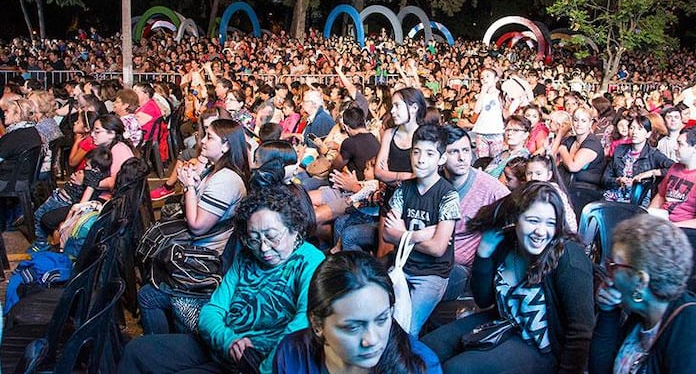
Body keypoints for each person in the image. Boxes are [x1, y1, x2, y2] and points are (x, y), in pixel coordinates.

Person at [118, 185, 326, 374]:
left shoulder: (310, 260)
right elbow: (213, 309)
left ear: (294, 231)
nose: (263, 248)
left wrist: (263, 368)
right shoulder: (247, 256)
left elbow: (301, 323)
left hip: (262, 358)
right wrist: (228, 340)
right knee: (136, 350)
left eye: (272, 237)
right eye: (254, 239)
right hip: (224, 345)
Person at [422, 182, 595, 374]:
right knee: (426, 349)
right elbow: (483, 299)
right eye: (533, 220)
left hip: (543, 345)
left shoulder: (569, 258)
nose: (541, 231)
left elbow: (581, 332)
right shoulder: (507, 242)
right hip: (506, 322)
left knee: (457, 369)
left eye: (551, 223)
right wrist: (484, 254)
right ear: (516, 218)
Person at [590, 214, 696, 374]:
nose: (609, 276)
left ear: (640, 281)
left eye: (613, 266)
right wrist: (608, 313)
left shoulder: (693, 332)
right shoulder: (643, 315)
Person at [137, 119, 249, 335]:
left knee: (148, 295)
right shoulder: (216, 171)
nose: (203, 141)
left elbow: (197, 226)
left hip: (201, 261)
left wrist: (189, 186)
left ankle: (163, 351)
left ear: (226, 146)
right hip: (195, 252)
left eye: (209, 137)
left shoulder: (226, 180)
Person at [273, 251, 442, 374]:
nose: (372, 340)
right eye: (353, 327)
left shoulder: (421, 366)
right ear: (317, 324)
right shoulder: (291, 353)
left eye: (382, 319)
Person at [382, 123, 461, 336]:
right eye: (416, 152)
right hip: (402, 267)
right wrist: (421, 234)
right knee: (381, 319)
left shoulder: (448, 195)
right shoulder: (404, 189)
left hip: (431, 274)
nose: (421, 159)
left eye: (429, 153)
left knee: (406, 329)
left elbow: (437, 248)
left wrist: (404, 235)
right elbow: (387, 233)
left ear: (441, 159)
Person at [440, 125, 509, 301]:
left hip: (462, 268)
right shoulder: (434, 183)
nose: (462, 157)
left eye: (465, 150)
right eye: (453, 151)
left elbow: (515, 212)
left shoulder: (489, 187)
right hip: (431, 258)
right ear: (440, 156)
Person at [28, 146, 112, 252]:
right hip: (59, 198)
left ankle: (40, 243)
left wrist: (76, 213)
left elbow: (84, 200)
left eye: (87, 165)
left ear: (96, 168)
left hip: (62, 201)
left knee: (39, 216)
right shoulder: (93, 175)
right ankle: (42, 243)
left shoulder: (92, 177)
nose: (85, 167)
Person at [374, 87, 424, 257]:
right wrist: (404, 176)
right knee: (383, 255)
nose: (392, 111)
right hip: (390, 199)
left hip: (415, 203)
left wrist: (392, 176)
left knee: (408, 256)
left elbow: (422, 176)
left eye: (397, 106)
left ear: (414, 107)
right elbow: (378, 172)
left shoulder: (424, 136)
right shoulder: (389, 133)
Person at [648, 126, 696, 230]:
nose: (675, 148)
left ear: (695, 148)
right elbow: (661, 195)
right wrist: (650, 213)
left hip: (682, 230)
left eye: (680, 144)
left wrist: (670, 227)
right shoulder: (675, 167)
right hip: (662, 222)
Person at [602, 115, 675, 205]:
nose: (634, 132)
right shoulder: (619, 150)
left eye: (640, 129)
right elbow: (605, 179)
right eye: (632, 128)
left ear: (648, 134)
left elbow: (674, 168)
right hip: (614, 196)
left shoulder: (653, 154)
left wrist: (651, 173)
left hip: (638, 200)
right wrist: (617, 180)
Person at [557, 106, 607, 218]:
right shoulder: (570, 140)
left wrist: (562, 149)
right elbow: (550, 155)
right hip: (567, 187)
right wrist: (561, 133)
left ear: (590, 123)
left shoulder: (592, 143)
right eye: (576, 120)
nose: (579, 124)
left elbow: (573, 166)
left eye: (583, 121)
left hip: (586, 190)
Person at [0, 98, 42, 192]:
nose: (4, 114)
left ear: (18, 114)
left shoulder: (14, 137)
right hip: (23, 179)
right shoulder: (32, 131)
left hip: (9, 181)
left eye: (7, 111)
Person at [471, 68, 505, 158]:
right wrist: (483, 92)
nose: (484, 79)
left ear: (496, 79)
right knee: (481, 160)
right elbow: (476, 110)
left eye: (487, 76)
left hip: (496, 132)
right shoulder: (480, 96)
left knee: (496, 160)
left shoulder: (501, 95)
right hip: (482, 132)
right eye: (482, 78)